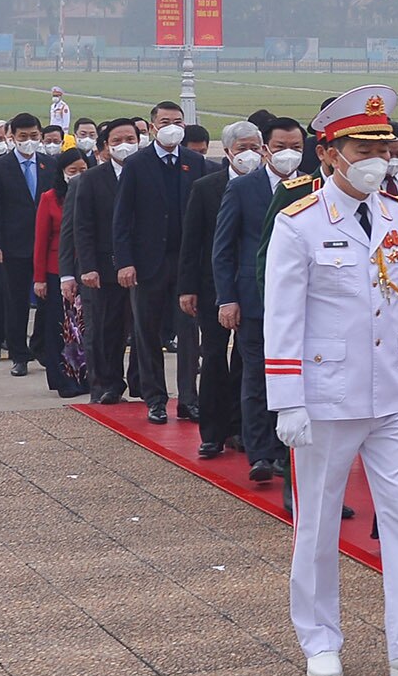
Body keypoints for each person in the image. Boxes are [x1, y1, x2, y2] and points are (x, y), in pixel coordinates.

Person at [265, 85, 398, 676]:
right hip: (326, 396)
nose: (377, 156)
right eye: (362, 146)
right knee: (318, 521)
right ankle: (319, 638)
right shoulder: (298, 224)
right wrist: (287, 398)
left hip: (392, 390)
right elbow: (283, 316)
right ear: (330, 153)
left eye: (383, 145)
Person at [216, 115, 307, 484]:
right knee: (256, 377)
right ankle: (260, 453)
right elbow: (223, 249)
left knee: (295, 378)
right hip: (254, 301)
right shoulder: (242, 188)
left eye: (297, 148)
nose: (289, 155)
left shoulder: (311, 188)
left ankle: (289, 451)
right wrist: (227, 299)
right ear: (265, 148)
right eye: (282, 148)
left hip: (300, 302)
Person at [114, 101, 203, 424]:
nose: (172, 127)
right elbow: (122, 218)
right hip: (147, 262)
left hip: (184, 262)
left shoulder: (195, 162)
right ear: (152, 127)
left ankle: (189, 398)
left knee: (188, 333)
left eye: (178, 121)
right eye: (165, 121)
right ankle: (154, 397)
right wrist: (125, 261)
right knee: (146, 331)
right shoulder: (137, 164)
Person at [181, 122, 256, 458]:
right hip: (213, 286)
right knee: (213, 356)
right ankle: (212, 432)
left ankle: (241, 427)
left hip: (253, 287)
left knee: (246, 358)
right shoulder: (206, 187)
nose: (250, 154)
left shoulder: (266, 187)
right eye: (242, 148)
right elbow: (192, 241)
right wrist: (187, 288)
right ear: (227, 152)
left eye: (255, 146)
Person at [65, 119, 137, 402]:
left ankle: (139, 382)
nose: (125, 145)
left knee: (138, 330)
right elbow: (81, 227)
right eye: (117, 141)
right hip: (102, 268)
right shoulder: (91, 179)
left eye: (130, 139)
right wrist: (87, 267)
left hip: (140, 266)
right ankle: (104, 384)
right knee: (103, 329)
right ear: (105, 146)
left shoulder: (145, 173)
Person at [0, 113, 50, 378]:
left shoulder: (49, 165)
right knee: (15, 302)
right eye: (22, 137)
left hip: (46, 245)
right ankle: (19, 355)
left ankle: (40, 347)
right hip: (13, 246)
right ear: (12, 137)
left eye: (33, 136)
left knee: (48, 302)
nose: (28, 141)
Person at [33, 147, 91, 398]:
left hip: (87, 269)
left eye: (83, 170)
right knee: (61, 328)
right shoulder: (50, 198)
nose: (78, 175)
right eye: (72, 171)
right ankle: (63, 379)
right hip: (57, 271)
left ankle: (87, 377)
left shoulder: (94, 193)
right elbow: (41, 240)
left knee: (85, 329)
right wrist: (39, 279)